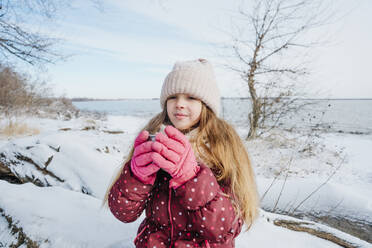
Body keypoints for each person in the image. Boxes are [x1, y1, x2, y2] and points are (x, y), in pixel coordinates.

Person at [104, 58, 259, 248]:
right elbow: (123, 213)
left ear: (206, 104)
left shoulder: (223, 145)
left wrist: (191, 178)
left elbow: (226, 226)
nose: (180, 104)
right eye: (173, 96)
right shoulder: (154, 136)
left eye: (191, 97)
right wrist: (137, 177)